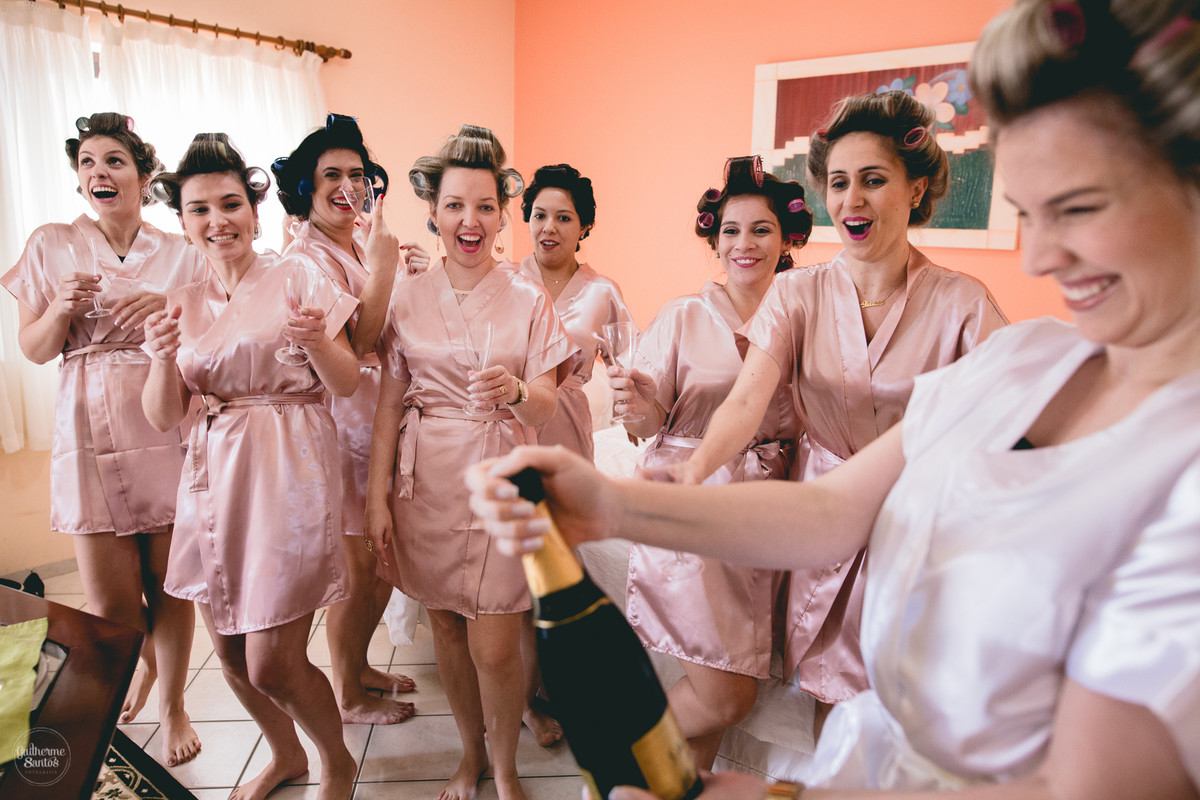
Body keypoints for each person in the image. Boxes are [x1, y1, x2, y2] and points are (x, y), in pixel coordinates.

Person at [467, 0, 1200, 797]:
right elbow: (832, 512)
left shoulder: (1170, 456)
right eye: (1027, 215)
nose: (1046, 255)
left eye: (1081, 207)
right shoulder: (1026, 363)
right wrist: (613, 506)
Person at [680, 90, 1006, 714]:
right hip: (822, 518)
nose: (851, 200)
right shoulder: (798, 293)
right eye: (838, 182)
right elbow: (747, 401)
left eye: (873, 180)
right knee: (831, 699)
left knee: (900, 708)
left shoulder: (964, 304)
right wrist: (695, 471)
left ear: (915, 190)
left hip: (914, 526)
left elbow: (1010, 420)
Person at [141, 134, 360, 800]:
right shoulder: (180, 300)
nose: (218, 220)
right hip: (212, 476)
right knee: (233, 656)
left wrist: (320, 339)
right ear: (183, 223)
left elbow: (346, 382)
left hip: (288, 472)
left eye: (231, 203)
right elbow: (160, 415)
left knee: (272, 661)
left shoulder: (299, 274)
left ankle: (336, 761)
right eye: (200, 209)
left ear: (255, 211)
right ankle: (285, 754)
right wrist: (158, 356)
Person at [364, 124, 575, 800]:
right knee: (448, 630)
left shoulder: (526, 299)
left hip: (498, 474)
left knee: (494, 643)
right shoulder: (406, 298)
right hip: (425, 482)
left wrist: (516, 391)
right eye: (456, 205)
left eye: (485, 206)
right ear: (434, 211)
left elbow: (545, 403)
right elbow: (389, 407)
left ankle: (506, 764)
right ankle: (469, 754)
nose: (470, 220)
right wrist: (374, 502)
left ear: (502, 214)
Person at [2, 112, 204, 767]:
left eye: (114, 160)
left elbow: (209, 339)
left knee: (169, 584)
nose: (99, 173)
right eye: (87, 163)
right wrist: (60, 307)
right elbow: (34, 351)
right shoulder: (49, 244)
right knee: (115, 601)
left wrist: (168, 310)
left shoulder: (181, 252)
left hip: (160, 412)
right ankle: (141, 665)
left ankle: (175, 703)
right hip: (85, 422)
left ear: (144, 176)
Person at [606, 155, 810, 769]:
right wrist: (637, 404)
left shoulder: (807, 314)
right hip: (695, 502)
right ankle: (622, 748)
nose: (743, 244)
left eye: (760, 229)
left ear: (787, 238)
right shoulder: (682, 316)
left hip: (770, 513)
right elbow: (644, 428)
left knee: (729, 674)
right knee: (728, 695)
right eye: (730, 231)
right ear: (714, 240)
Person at [273, 112, 429, 726]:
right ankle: (348, 691)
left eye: (357, 174)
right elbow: (361, 344)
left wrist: (398, 270)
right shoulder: (307, 258)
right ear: (306, 188)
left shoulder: (354, 244)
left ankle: (360, 664)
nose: (347, 184)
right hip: (340, 426)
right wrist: (387, 269)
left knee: (382, 554)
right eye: (331, 174)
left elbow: (388, 322)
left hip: (378, 424)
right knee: (358, 564)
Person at [515, 162, 635, 747]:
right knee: (514, 576)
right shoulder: (501, 280)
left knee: (557, 574)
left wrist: (643, 415)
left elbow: (632, 366)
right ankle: (521, 699)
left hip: (566, 431)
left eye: (564, 217)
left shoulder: (602, 292)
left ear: (582, 226)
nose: (550, 227)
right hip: (507, 430)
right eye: (540, 214)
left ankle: (547, 691)